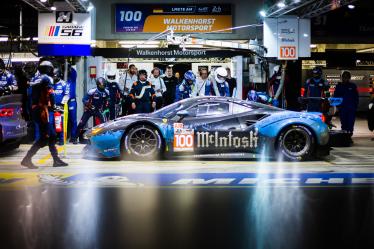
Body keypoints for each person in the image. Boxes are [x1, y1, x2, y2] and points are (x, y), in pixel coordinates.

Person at [21, 61, 68, 168]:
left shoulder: (35, 78)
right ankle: (27, 159)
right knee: (45, 138)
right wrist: (54, 106)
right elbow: (50, 94)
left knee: (51, 136)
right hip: (42, 111)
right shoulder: (47, 78)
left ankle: (56, 160)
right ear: (48, 69)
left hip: (36, 110)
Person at [71, 77, 109, 144]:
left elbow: (107, 101)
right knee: (81, 123)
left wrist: (105, 108)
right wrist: (88, 105)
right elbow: (84, 99)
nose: (102, 86)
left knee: (104, 124)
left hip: (98, 110)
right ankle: (74, 138)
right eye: (101, 85)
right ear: (97, 84)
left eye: (103, 85)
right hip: (89, 110)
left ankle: (105, 138)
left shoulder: (106, 92)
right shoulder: (92, 91)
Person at [334, 71, 359, 138]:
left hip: (351, 109)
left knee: (350, 123)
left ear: (349, 78)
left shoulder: (353, 86)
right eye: (344, 77)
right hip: (342, 109)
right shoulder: (338, 86)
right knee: (344, 124)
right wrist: (338, 107)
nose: (345, 78)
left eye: (347, 77)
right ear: (341, 78)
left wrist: (355, 106)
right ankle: (344, 138)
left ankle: (349, 137)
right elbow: (335, 97)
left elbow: (356, 97)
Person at [52, 67, 70, 145]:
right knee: (51, 124)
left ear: (58, 75)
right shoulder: (50, 84)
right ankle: (52, 140)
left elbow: (67, 95)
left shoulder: (64, 84)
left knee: (60, 124)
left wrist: (61, 105)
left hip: (61, 108)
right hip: (51, 107)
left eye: (54, 76)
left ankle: (62, 140)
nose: (53, 77)